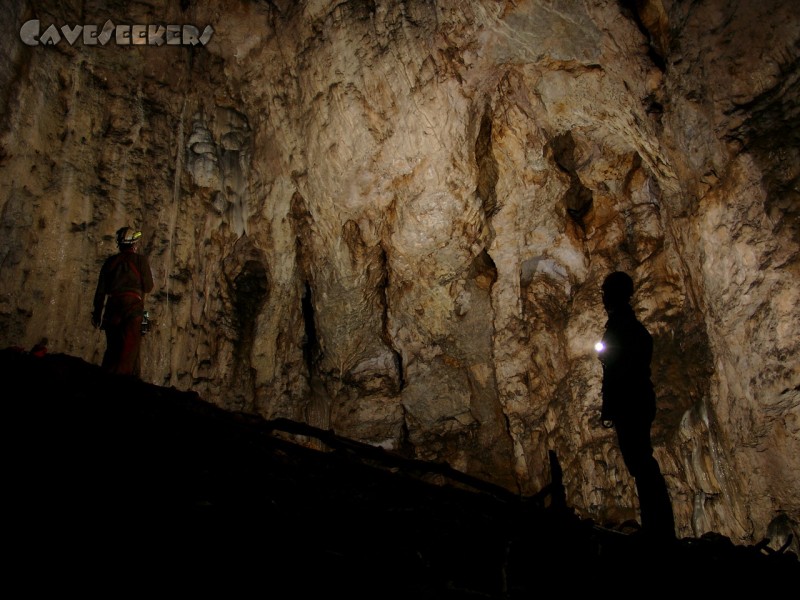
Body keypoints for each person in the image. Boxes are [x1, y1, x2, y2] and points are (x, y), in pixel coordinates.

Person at [596, 271, 675, 539]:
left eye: (607, 292)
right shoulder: (624, 324)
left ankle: (659, 528)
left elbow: (618, 369)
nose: (604, 298)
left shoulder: (623, 325)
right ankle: (658, 525)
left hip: (631, 401)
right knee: (640, 462)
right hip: (634, 400)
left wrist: (613, 404)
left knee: (641, 462)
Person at [92, 226, 154, 377]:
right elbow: (149, 286)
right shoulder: (140, 261)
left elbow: (100, 292)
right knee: (128, 353)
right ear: (134, 244)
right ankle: (122, 389)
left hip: (112, 311)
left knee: (113, 349)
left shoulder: (110, 263)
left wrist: (97, 315)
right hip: (133, 311)